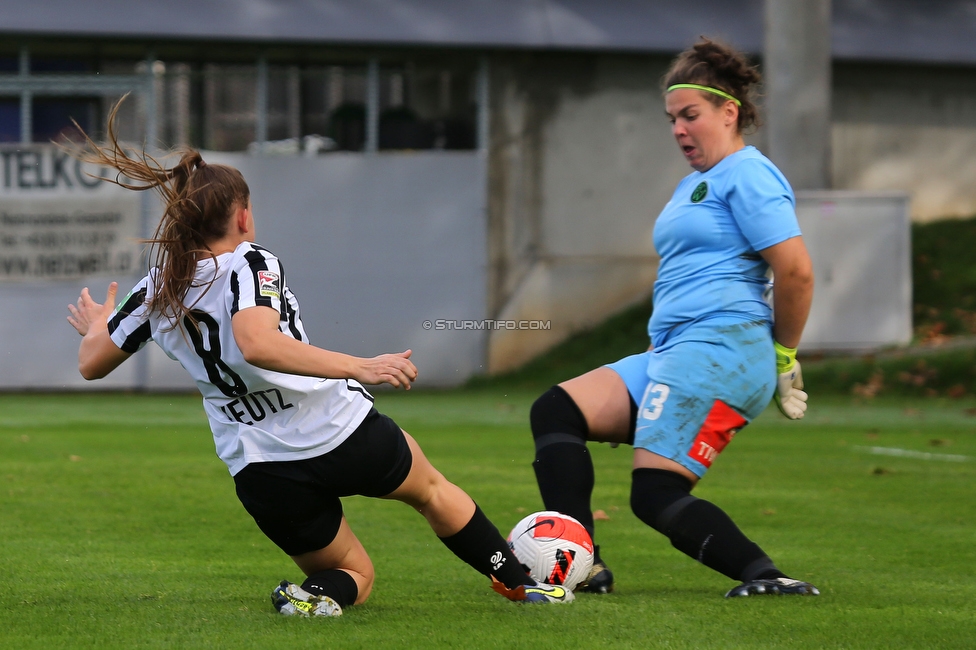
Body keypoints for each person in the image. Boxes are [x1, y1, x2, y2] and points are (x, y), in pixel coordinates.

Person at [65, 101, 571, 616]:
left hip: (261, 467)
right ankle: (520, 583)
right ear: (242, 216)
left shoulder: (158, 287)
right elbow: (257, 343)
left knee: (355, 575)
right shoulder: (249, 259)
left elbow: (92, 363)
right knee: (433, 492)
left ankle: (314, 597)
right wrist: (361, 366)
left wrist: (98, 327)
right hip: (337, 430)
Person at [529, 38, 818, 598]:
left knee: (655, 493)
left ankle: (768, 577)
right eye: (672, 119)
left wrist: (782, 354)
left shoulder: (750, 175)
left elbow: (798, 273)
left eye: (691, 115)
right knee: (556, 411)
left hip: (720, 350)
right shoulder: (694, 183)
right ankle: (581, 565)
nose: (679, 130)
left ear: (729, 112)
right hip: (675, 352)